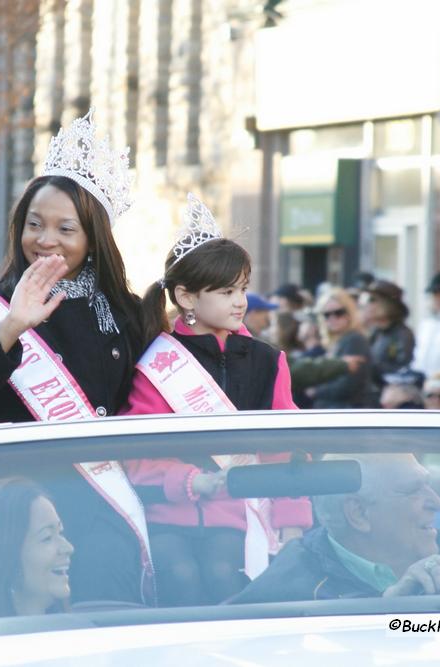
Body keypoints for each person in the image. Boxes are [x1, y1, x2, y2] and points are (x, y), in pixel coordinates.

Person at [0, 110, 150, 606]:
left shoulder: (126, 313)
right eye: (35, 224)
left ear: (93, 238)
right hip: (16, 512)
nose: (45, 240)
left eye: (65, 229)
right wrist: (10, 327)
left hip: (101, 506)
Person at [120, 194, 310, 606]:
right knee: (179, 579)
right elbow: (136, 452)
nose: (241, 301)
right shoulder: (156, 362)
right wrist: (190, 481)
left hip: (242, 515)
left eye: (242, 288)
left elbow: (285, 450)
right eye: (226, 291)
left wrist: (292, 520)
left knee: (228, 579)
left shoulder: (267, 361)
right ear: (187, 298)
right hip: (167, 513)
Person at [229, 453, 440, 603]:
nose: (437, 502)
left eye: (428, 485)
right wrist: (390, 609)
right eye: (413, 491)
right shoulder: (291, 588)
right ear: (358, 514)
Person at [0, 477, 75, 632]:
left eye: (60, 532)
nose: (68, 548)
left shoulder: (78, 636)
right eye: (47, 538)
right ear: (4, 555)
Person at [307, 288, 371, 409]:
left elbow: (348, 385)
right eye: (326, 314)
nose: (332, 318)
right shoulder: (337, 341)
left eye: (338, 313)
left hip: (346, 415)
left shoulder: (354, 339)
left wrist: (316, 390)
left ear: (349, 313)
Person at [361, 280, 416, 405]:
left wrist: (371, 366)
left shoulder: (402, 335)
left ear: (387, 304)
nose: (366, 305)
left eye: (372, 300)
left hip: (389, 401)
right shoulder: (375, 332)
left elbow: (402, 371)